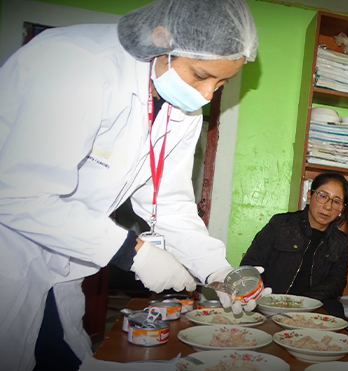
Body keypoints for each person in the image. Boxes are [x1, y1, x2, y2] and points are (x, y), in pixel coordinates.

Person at [0, 1, 269, 371]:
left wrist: (217, 271)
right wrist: (133, 251)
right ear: (162, 39)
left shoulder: (181, 108)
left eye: (221, 83)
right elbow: (18, 195)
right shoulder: (78, 65)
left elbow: (168, 201)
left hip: (60, 262)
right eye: (201, 75)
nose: (208, 95)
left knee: (60, 355)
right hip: (9, 248)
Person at [240, 171, 348, 318]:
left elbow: (335, 284)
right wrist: (270, 300)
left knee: (336, 310)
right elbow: (250, 265)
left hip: (311, 307)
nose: (328, 207)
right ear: (310, 196)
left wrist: (300, 303)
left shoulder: (341, 242)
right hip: (268, 303)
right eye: (323, 196)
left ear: (341, 209)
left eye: (336, 201)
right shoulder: (280, 225)